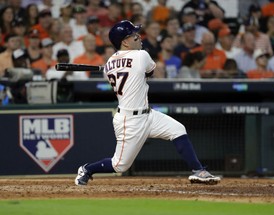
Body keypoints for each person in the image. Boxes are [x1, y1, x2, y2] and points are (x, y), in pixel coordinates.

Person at [74, 20, 221, 186]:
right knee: (120, 165)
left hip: (148, 115)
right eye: (133, 35)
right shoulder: (142, 55)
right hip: (129, 120)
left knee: (178, 130)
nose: (138, 37)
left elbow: (132, 73)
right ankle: (87, 169)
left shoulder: (109, 64)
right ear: (124, 42)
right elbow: (151, 72)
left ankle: (198, 171)